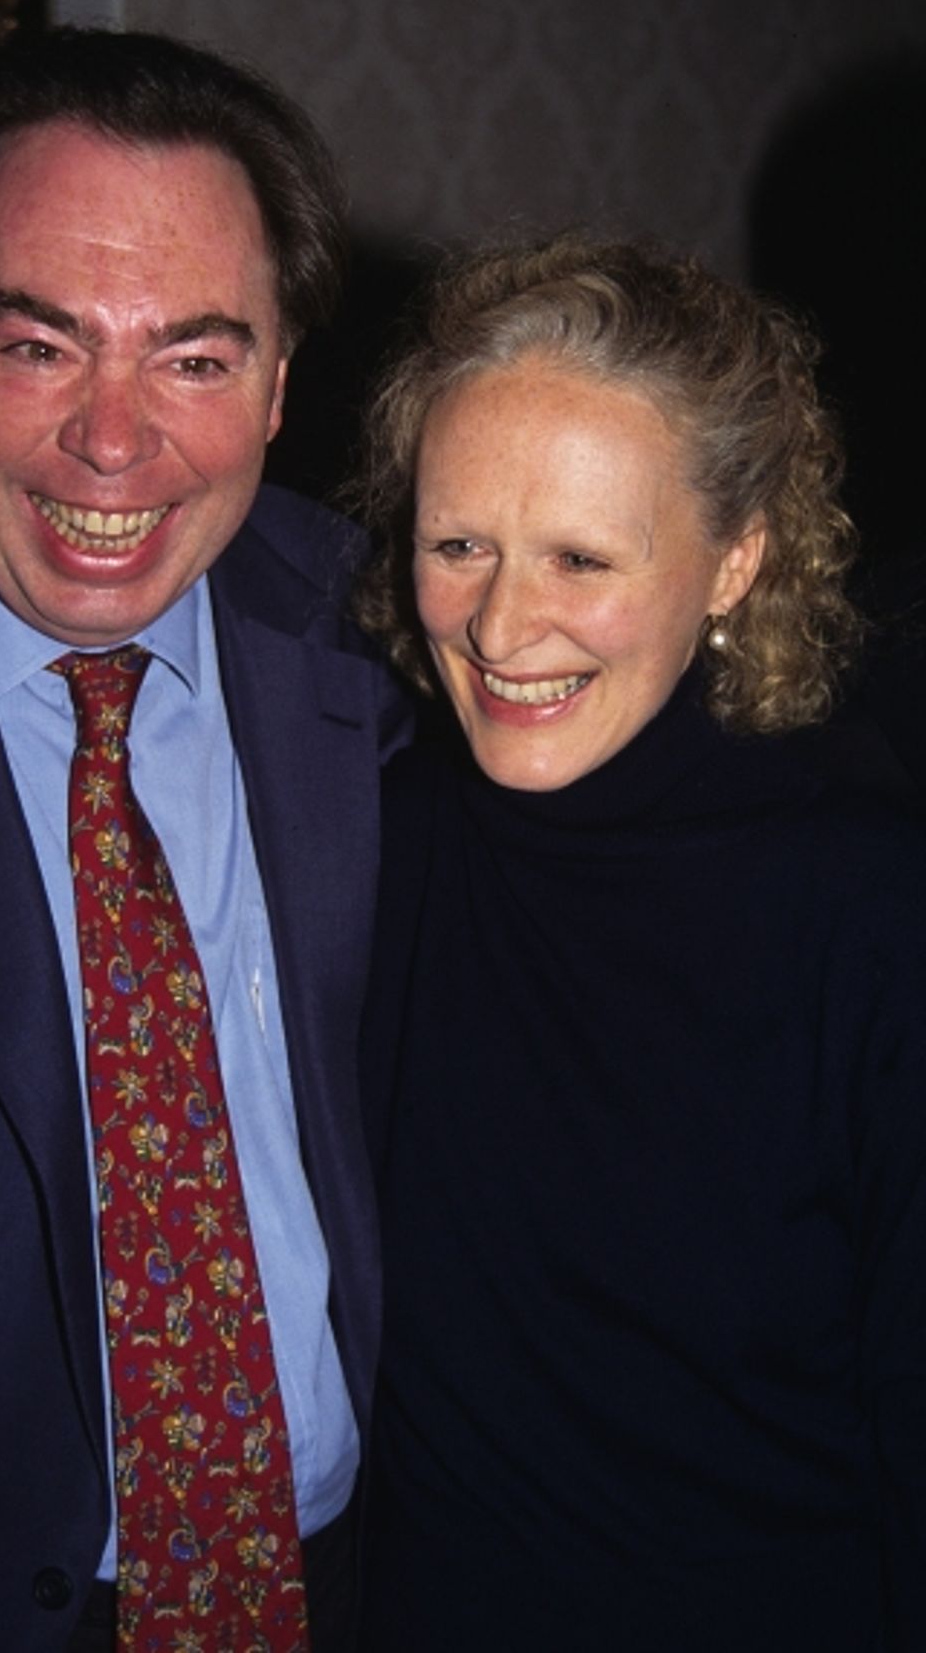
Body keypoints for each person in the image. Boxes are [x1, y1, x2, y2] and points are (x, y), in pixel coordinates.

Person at [0, 27, 408, 1652]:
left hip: (362, 1586)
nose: (115, 445)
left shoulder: (405, 640)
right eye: (39, 347)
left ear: (278, 385)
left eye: (193, 357)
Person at [352, 234, 926, 1650]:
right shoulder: (365, 837)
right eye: (458, 543)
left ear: (735, 564)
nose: (497, 624)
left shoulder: (866, 910)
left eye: (581, 558)